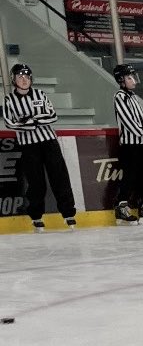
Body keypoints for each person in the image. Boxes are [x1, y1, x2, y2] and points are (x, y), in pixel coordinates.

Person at [2, 63, 78, 232]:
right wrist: (35, 120)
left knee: (60, 177)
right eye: (20, 77)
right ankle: (36, 216)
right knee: (36, 183)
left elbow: (52, 116)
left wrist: (28, 120)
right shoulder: (9, 99)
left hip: (49, 142)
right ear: (14, 80)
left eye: (27, 77)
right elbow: (10, 123)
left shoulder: (40, 94)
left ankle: (68, 213)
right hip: (29, 146)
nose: (24, 80)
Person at [112, 63, 143, 225]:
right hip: (130, 146)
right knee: (130, 177)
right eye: (129, 77)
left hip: (142, 144)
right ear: (121, 80)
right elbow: (128, 122)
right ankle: (121, 207)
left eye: (133, 77)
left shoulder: (133, 97)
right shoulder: (119, 97)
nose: (134, 80)